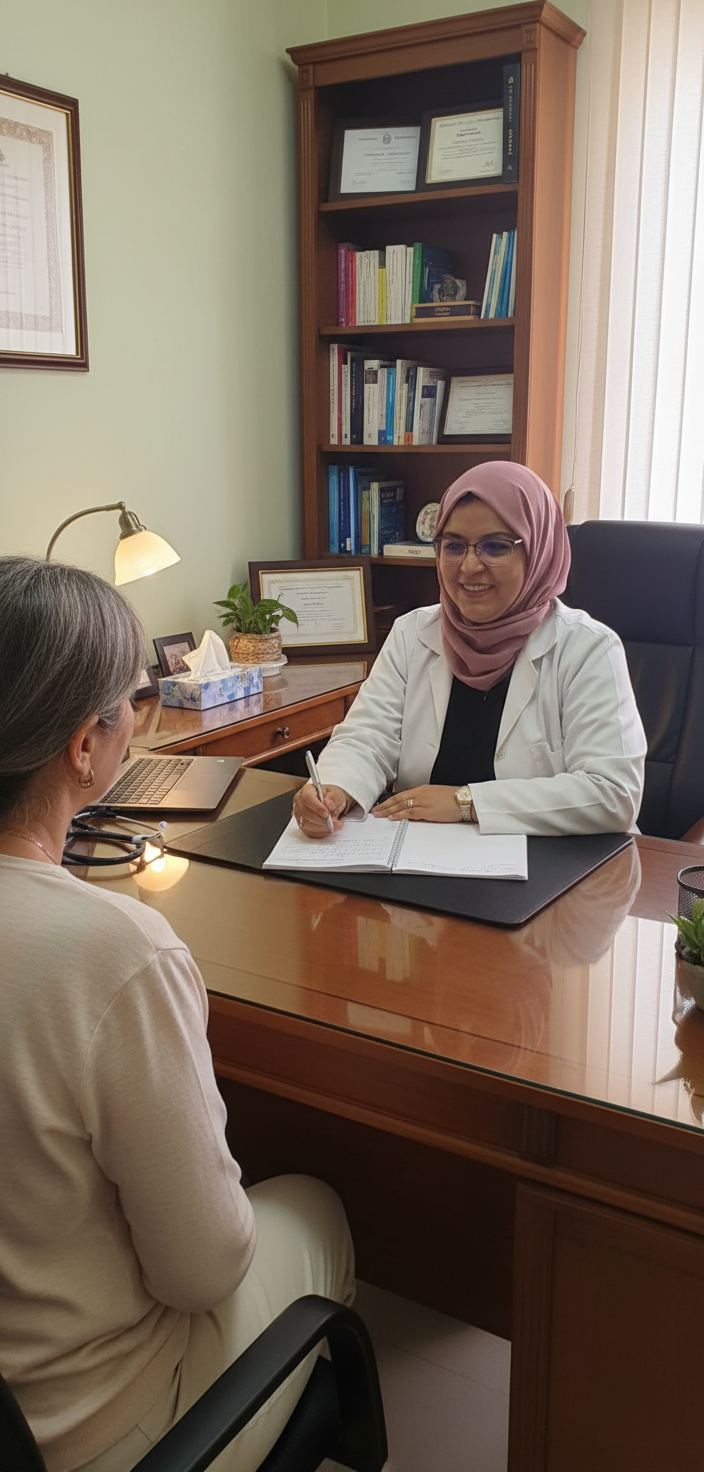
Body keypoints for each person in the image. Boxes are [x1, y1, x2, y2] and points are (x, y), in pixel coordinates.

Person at [0, 557, 354, 1472]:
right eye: (138, 703)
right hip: (87, 1430)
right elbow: (201, 1272)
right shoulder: (112, 951)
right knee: (313, 1206)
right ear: (86, 747)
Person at [294, 461, 646, 837]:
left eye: (495, 546)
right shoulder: (412, 633)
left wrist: (467, 802)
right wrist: (334, 790)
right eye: (454, 545)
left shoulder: (588, 648)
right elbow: (368, 737)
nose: (470, 566)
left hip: (555, 871)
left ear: (540, 551)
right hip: (421, 859)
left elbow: (613, 793)